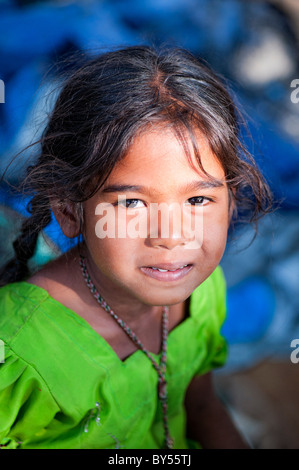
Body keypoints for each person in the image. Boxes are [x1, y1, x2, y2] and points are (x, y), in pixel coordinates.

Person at [0, 45, 272, 449]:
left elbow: (199, 407)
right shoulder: (22, 350)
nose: (172, 235)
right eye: (132, 203)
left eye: (198, 200)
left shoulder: (203, 292)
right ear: (69, 211)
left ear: (231, 199)